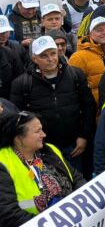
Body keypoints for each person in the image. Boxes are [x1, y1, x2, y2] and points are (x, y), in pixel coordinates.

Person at [9, 36, 96, 173]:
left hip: (73, 146)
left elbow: (88, 106)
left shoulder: (75, 75)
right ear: (34, 59)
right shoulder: (22, 84)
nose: (50, 59)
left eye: (53, 53)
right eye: (44, 55)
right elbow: (17, 119)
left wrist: (84, 136)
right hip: (41, 150)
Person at [0, 111, 85, 225]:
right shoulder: (3, 162)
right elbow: (8, 213)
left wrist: (83, 205)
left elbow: (77, 178)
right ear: (18, 137)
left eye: (42, 129)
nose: (44, 134)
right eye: (37, 131)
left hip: (73, 218)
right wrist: (50, 223)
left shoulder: (50, 149)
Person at [68, 17, 105, 106]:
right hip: (93, 113)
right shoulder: (79, 57)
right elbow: (70, 89)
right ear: (90, 34)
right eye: (99, 30)